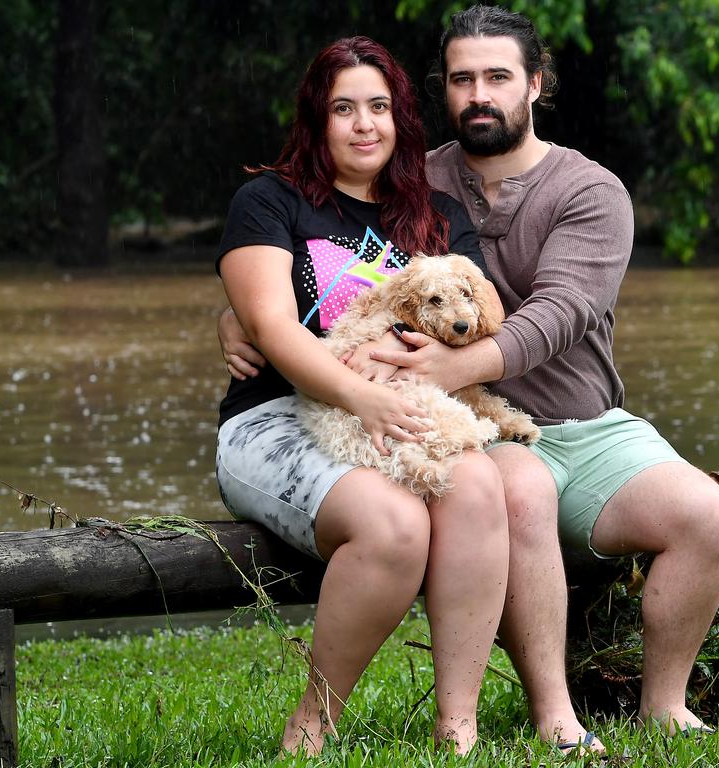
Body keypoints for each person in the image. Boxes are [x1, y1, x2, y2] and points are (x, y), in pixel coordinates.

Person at [222, 6, 719, 755]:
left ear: (536, 83)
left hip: (560, 418)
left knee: (706, 515)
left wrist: (440, 366)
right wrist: (237, 318)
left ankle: (663, 705)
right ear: (439, 92)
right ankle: (551, 716)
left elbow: (557, 313)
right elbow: (283, 286)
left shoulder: (569, 193)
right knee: (510, 484)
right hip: (448, 421)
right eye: (462, 79)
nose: (479, 94)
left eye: (498, 76)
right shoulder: (410, 178)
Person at [214, 36, 509, 756]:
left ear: (401, 118)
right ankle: (313, 723)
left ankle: (457, 725)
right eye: (344, 108)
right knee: (395, 526)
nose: (364, 124)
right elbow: (273, 330)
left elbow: (473, 325)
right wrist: (359, 391)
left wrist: (390, 374)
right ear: (318, 120)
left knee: (477, 486)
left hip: (412, 405)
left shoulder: (437, 215)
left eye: (379, 106)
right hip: (277, 418)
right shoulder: (268, 202)